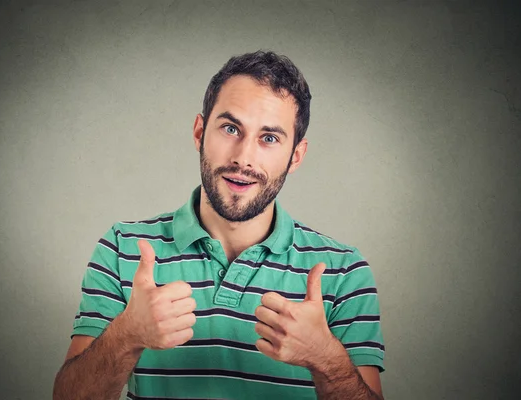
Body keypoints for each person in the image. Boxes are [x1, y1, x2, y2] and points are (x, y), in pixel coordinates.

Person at [53, 50, 385, 400]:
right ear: (200, 132)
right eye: (230, 128)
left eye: (269, 138)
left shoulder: (345, 270)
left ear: (296, 156)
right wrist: (127, 336)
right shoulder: (123, 249)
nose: (243, 157)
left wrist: (326, 359)